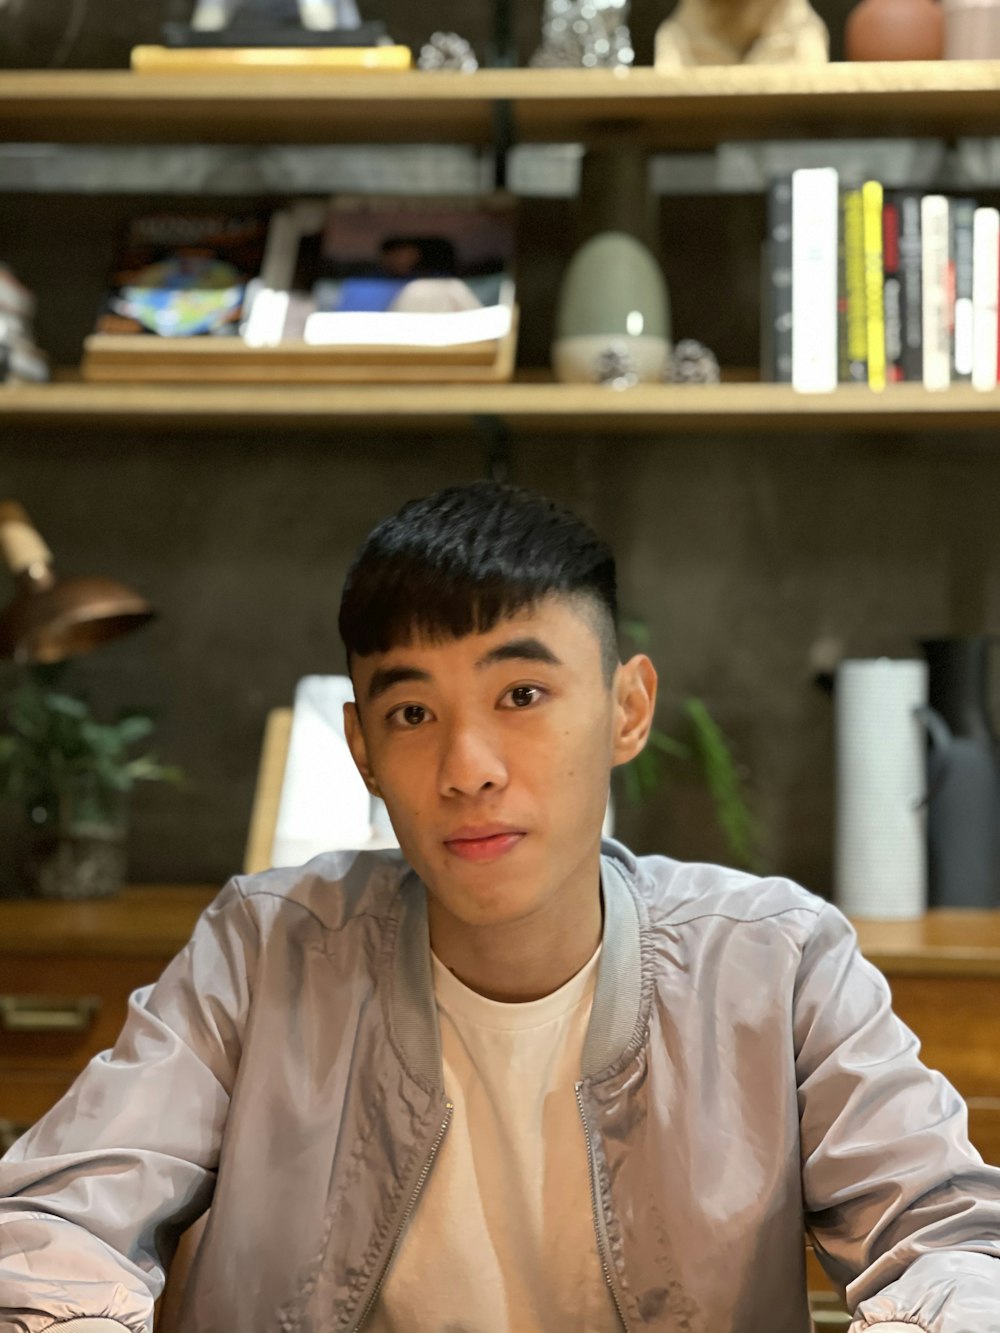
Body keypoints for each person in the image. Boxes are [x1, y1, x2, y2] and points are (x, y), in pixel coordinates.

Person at [2, 481, 999, 1333]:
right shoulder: (266, 950)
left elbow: (944, 1232)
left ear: (626, 709)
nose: (467, 769)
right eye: (411, 712)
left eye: (521, 695)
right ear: (361, 747)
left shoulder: (776, 962)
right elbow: (60, 1219)